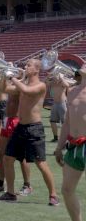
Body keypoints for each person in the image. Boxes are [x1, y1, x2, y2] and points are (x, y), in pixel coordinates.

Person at [0, 59, 58, 206]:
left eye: (28, 65)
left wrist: (14, 78)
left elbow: (26, 91)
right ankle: (10, 193)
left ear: (36, 70)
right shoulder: (23, 84)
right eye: (26, 65)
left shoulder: (40, 86)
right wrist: (4, 76)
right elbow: (5, 90)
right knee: (7, 159)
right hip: (20, 128)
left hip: (34, 128)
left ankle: (53, 195)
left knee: (40, 163)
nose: (25, 67)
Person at [0, 74, 31, 195]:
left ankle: (27, 185)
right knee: (1, 154)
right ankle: (0, 183)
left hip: (17, 121)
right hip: (7, 120)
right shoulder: (11, 84)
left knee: (21, 157)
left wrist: (14, 77)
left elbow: (8, 88)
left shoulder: (22, 85)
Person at [54, 63, 86, 221]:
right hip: (74, 145)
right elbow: (67, 122)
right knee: (67, 190)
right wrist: (59, 147)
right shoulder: (72, 91)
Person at [46, 73, 70, 142]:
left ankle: (66, 139)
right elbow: (46, 83)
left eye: (56, 76)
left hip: (62, 104)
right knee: (52, 121)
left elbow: (67, 85)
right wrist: (48, 76)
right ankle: (55, 137)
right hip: (55, 104)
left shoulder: (62, 83)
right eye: (54, 76)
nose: (54, 77)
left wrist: (61, 77)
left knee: (64, 123)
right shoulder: (52, 83)